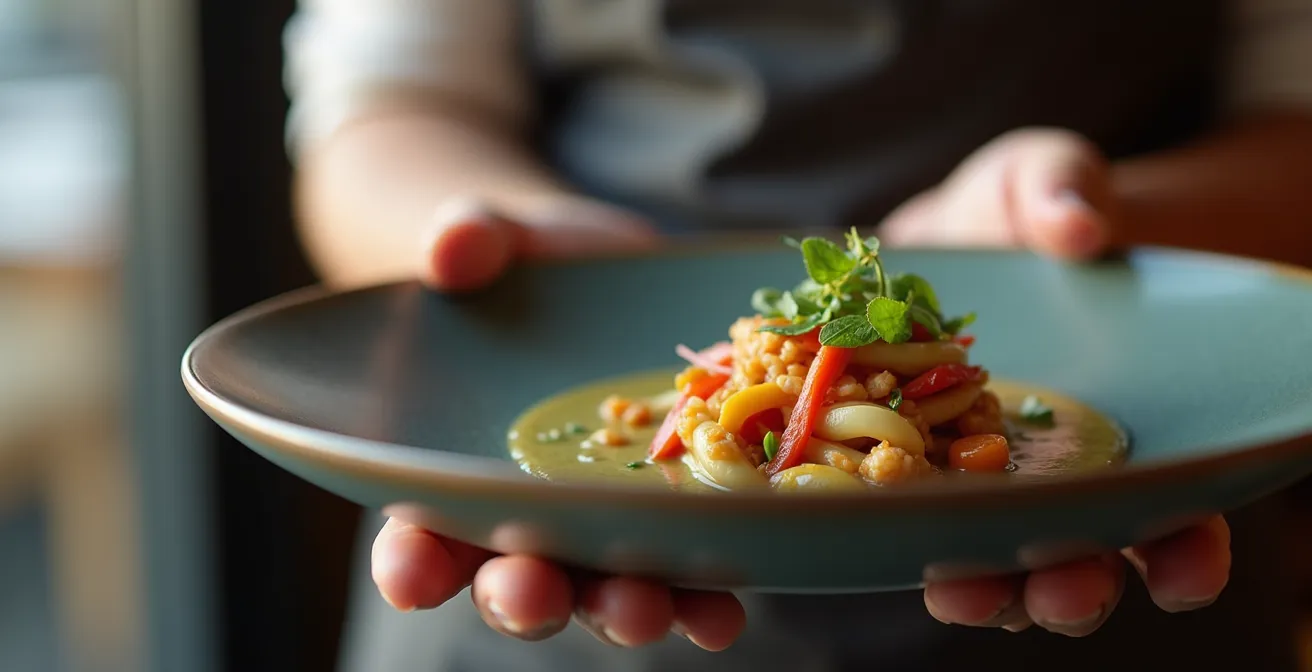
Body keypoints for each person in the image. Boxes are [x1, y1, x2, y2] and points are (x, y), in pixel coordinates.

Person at [282, 0, 1312, 669]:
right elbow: (382, 106)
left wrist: (1093, 225)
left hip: (1127, 532)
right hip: (548, 560)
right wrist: (498, 252)